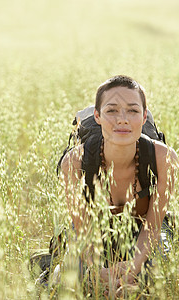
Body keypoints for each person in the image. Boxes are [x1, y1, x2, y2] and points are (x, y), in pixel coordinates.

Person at [61, 75, 178, 297]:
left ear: (144, 117)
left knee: (160, 272)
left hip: (144, 231)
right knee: (76, 277)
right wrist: (100, 273)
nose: (122, 119)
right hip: (94, 232)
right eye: (112, 110)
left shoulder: (165, 159)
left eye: (132, 111)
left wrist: (133, 266)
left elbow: (152, 226)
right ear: (97, 116)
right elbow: (84, 229)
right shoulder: (74, 162)